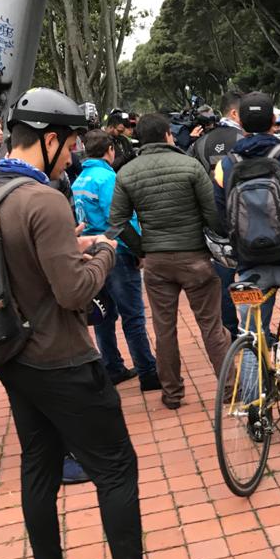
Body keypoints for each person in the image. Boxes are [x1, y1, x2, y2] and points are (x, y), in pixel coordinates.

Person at [0, 88, 208, 559]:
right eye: (67, 146)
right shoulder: (41, 198)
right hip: (60, 357)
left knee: (37, 468)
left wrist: (73, 249)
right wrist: (106, 251)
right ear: (47, 139)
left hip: (13, 354)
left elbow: (25, 262)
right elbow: (75, 293)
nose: (72, 155)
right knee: (116, 469)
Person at [110, 112, 230, 411]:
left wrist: (142, 249)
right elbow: (212, 215)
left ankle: (172, 394)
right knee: (212, 327)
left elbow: (117, 221)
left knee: (164, 330)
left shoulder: (127, 173)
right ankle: (230, 388)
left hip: (156, 262)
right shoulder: (190, 166)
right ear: (167, 135)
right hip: (195, 258)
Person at [213, 92, 280, 337]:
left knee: (252, 337)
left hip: (249, 264)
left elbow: (222, 215)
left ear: (241, 123)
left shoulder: (225, 165)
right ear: (273, 122)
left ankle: (251, 371)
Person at [73, 129, 160, 391]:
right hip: (116, 252)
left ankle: (113, 367)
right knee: (132, 316)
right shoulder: (108, 177)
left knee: (103, 315)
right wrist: (139, 251)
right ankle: (148, 372)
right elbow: (121, 219)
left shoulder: (80, 180)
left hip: (91, 253)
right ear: (110, 150)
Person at [189, 91, 244, 339]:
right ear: (234, 112)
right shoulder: (245, 138)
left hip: (215, 225)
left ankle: (230, 331)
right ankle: (254, 330)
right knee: (254, 278)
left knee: (223, 283)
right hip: (247, 220)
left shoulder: (199, 144)